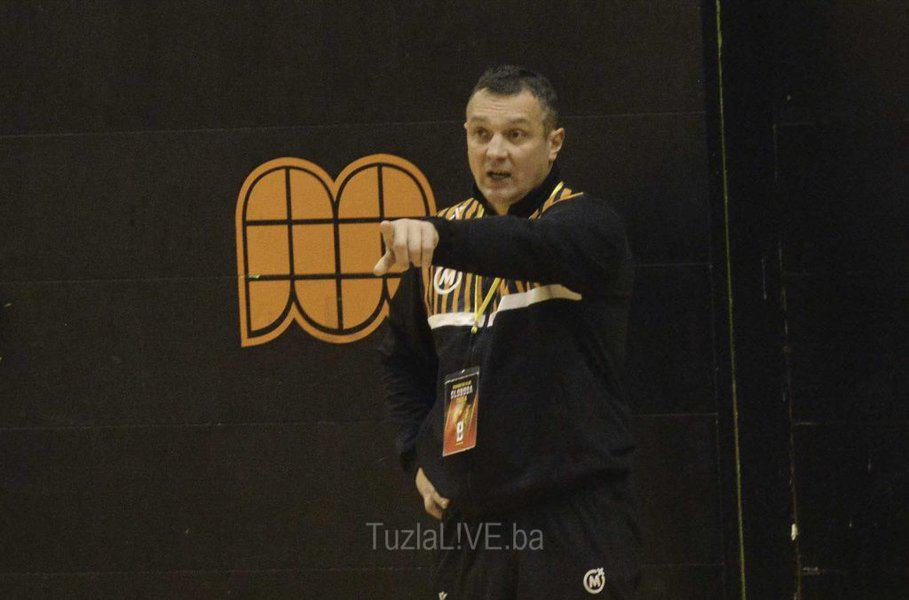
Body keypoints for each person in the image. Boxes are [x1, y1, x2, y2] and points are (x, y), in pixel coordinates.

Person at [376, 65, 641, 599]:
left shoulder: (587, 227)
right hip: (471, 525)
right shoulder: (438, 245)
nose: (495, 152)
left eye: (515, 135)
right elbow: (402, 359)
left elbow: (526, 245)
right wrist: (415, 455)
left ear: (554, 143)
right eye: (481, 134)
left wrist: (438, 235)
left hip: (570, 518)